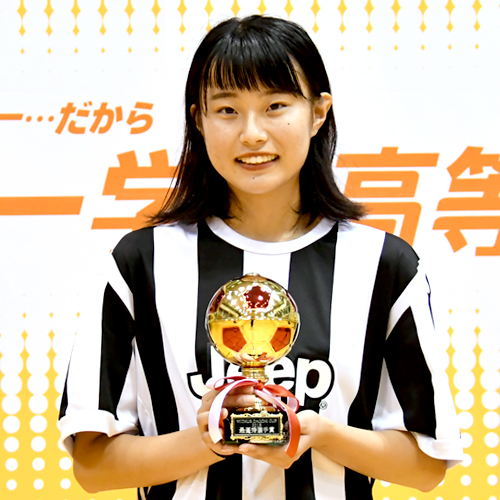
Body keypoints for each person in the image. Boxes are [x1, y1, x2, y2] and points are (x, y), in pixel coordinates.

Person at [59, 15, 463, 500]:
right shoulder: (138, 263)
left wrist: (319, 433)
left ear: (318, 113)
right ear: (198, 119)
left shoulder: (384, 265)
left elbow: (426, 466)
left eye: (275, 106)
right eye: (227, 110)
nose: (252, 134)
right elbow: (93, 466)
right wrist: (210, 440)